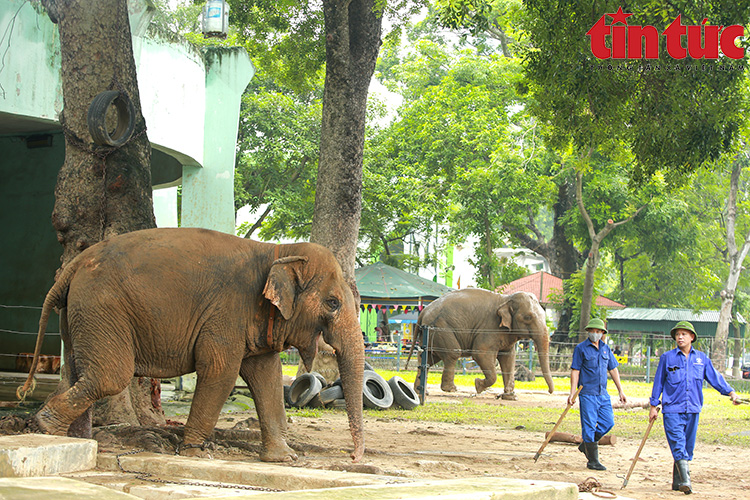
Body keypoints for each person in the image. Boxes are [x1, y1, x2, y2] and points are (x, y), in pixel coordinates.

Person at [649, 321, 739, 494]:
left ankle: (677, 482)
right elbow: (658, 382)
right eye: (677, 334)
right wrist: (654, 405)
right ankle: (686, 481)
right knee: (678, 444)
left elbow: (715, 378)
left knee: (687, 447)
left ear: (692, 337)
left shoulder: (701, 359)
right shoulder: (667, 358)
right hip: (672, 409)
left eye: (684, 334)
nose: (680, 337)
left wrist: (731, 393)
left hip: (693, 409)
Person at [569, 318, 627, 470]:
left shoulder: (606, 349)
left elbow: (613, 369)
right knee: (588, 426)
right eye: (592, 331)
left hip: (603, 394)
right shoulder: (581, 349)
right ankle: (592, 461)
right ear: (588, 332)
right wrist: (572, 392)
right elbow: (575, 370)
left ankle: (586, 445)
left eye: (597, 332)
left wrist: (620, 390)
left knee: (608, 422)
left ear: (602, 333)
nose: (594, 334)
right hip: (587, 393)